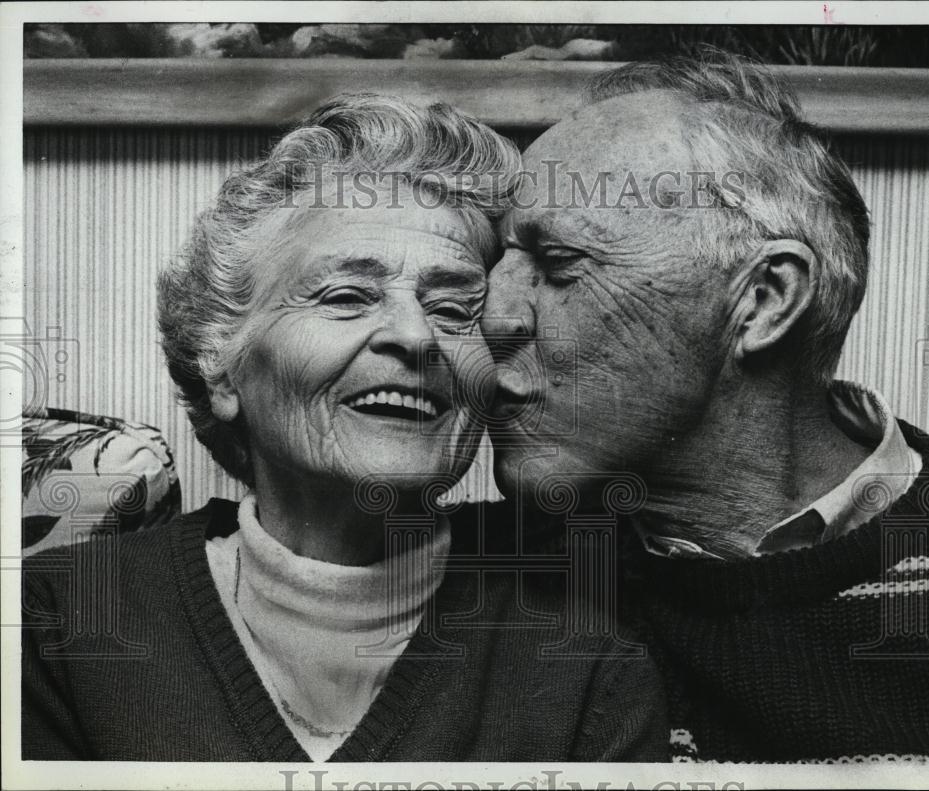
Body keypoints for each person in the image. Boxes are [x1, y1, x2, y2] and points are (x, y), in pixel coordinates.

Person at [22, 94, 671, 762]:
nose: (416, 336)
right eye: (347, 297)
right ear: (220, 366)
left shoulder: (586, 671)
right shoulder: (58, 624)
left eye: (453, 308)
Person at [482, 52, 929, 763]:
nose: (494, 317)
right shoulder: (481, 571)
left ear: (765, 300)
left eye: (558, 266)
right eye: (499, 264)